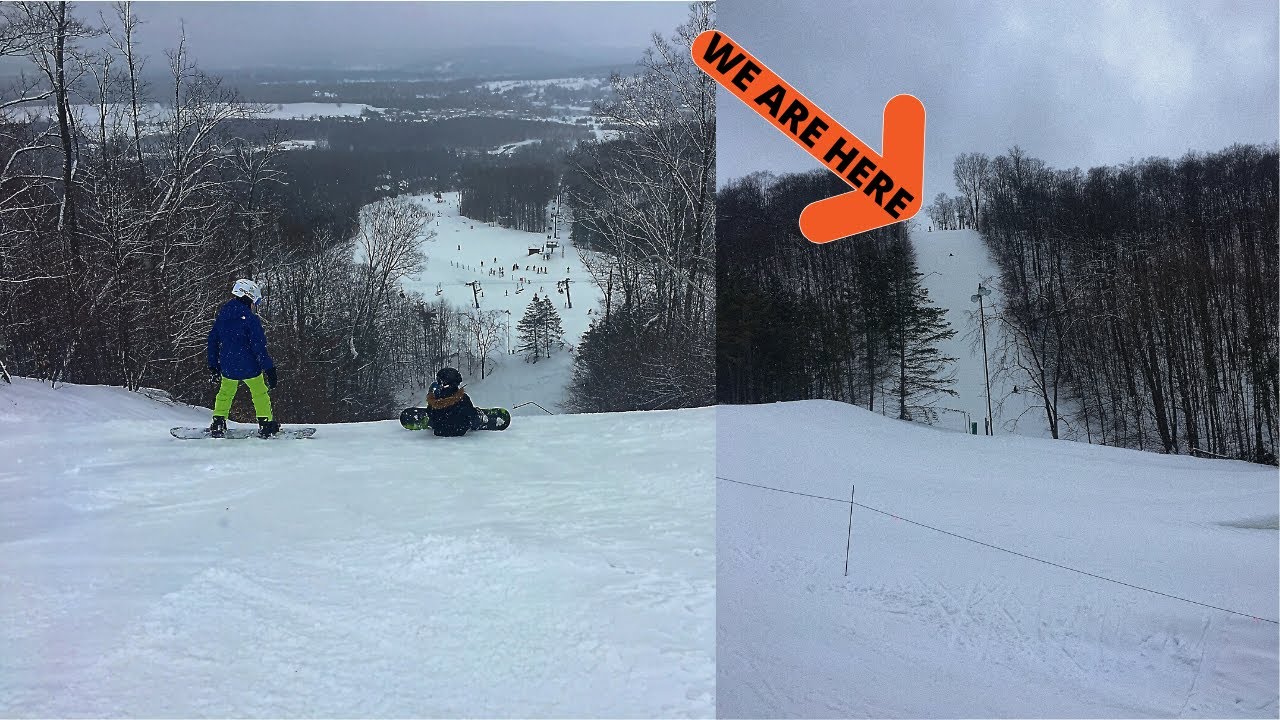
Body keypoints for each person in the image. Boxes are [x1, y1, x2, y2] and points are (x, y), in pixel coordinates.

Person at [206, 279, 279, 438]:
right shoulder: (251, 319)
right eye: (254, 301)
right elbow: (258, 347)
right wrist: (269, 368)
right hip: (250, 366)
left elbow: (212, 340)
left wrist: (213, 365)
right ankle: (265, 423)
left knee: (225, 394)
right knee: (259, 392)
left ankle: (219, 421)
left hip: (228, 366)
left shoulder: (222, 316)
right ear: (249, 297)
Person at [425, 367, 483, 437]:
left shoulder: (435, 399)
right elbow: (472, 416)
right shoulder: (463, 398)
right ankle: (481, 419)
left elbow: (430, 413)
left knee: (433, 412)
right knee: (471, 413)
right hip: (459, 431)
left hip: (439, 431)